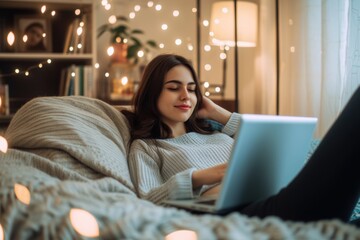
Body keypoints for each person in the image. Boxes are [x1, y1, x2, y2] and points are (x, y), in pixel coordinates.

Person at [122, 53, 360, 224]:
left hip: (278, 194)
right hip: (243, 212)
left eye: (192, 89)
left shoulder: (213, 131)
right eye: (174, 88)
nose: (186, 95)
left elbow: (261, 139)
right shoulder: (146, 147)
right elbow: (148, 199)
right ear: (152, 93)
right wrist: (202, 176)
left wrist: (218, 113)